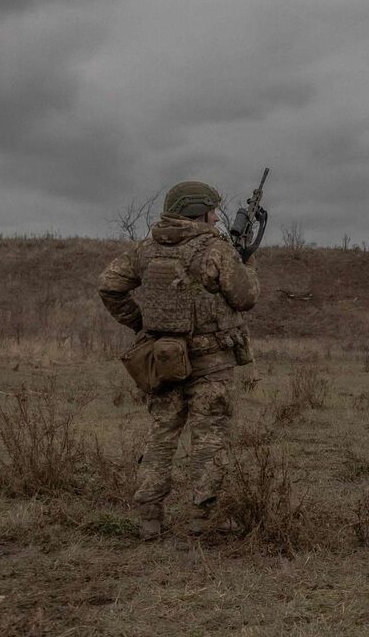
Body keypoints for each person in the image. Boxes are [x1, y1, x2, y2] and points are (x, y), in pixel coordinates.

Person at [99, 181, 260, 540]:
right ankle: (202, 522)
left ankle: (149, 518)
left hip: (163, 359)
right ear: (198, 212)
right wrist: (247, 263)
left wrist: (142, 324)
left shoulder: (147, 248)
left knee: (161, 435)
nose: (217, 216)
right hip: (211, 361)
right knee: (209, 440)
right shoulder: (215, 249)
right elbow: (246, 297)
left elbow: (109, 286)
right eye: (212, 210)